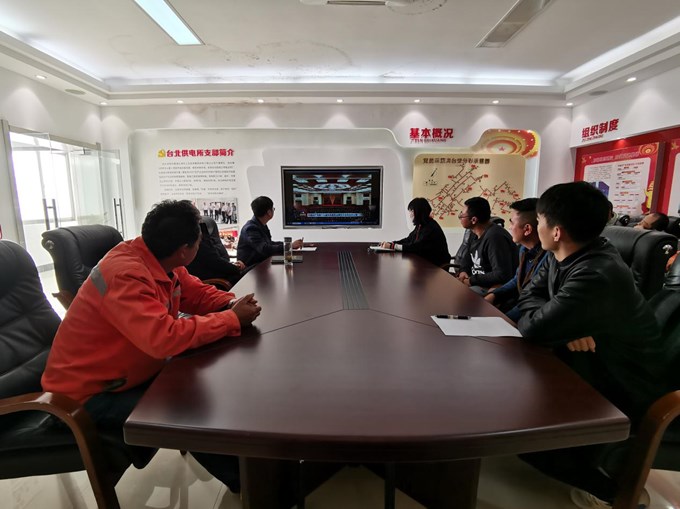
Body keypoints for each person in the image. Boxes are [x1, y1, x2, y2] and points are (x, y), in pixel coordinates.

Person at [41, 200, 262, 494]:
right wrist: (231, 320)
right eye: (199, 241)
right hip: (87, 394)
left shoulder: (159, 257)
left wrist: (230, 303)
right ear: (184, 250)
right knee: (189, 413)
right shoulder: (125, 274)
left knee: (208, 379)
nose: (202, 245)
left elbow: (195, 294)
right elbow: (164, 339)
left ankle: (254, 462)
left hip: (128, 372)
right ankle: (252, 485)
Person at [516, 182, 667, 509]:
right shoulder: (562, 253)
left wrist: (555, 323)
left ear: (556, 231)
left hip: (621, 381)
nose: (536, 226)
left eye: (539, 221)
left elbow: (532, 328)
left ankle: (614, 493)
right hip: (589, 362)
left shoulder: (597, 272)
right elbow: (528, 296)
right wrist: (563, 325)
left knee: (520, 435)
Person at [484, 198, 547, 322]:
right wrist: (494, 295)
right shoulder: (524, 249)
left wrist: (504, 320)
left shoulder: (548, 258)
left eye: (512, 223)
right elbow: (516, 280)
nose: (509, 227)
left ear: (527, 229)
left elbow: (533, 298)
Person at [456, 196, 518, 294]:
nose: (460, 217)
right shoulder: (473, 233)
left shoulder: (495, 238)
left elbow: (501, 274)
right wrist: (463, 271)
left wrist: (471, 280)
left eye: (462, 215)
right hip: (476, 282)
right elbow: (467, 258)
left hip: (491, 287)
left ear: (473, 220)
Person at [379, 197, 450, 267]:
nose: (410, 215)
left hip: (436, 268)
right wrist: (392, 243)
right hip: (425, 264)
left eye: (412, 211)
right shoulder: (421, 225)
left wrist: (393, 246)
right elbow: (409, 239)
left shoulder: (431, 227)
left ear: (419, 212)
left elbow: (416, 247)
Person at [237, 196, 303, 267]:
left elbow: (269, 243)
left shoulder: (260, 224)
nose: (273, 210)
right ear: (269, 212)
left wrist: (289, 244)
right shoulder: (251, 228)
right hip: (251, 268)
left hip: (262, 264)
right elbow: (264, 249)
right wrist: (289, 246)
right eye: (273, 209)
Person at [187, 215, 245, 286]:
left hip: (215, 271)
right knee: (244, 275)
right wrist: (236, 268)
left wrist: (232, 265)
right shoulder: (200, 241)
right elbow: (215, 262)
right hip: (212, 280)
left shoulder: (200, 237)